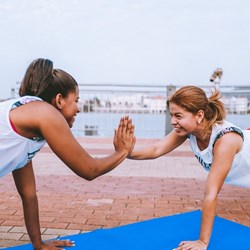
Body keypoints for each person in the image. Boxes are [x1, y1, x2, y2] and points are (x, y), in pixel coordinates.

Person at [0, 58, 135, 250]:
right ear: (59, 100)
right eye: (76, 100)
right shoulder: (45, 114)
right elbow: (89, 170)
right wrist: (123, 151)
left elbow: (28, 193)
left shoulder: (27, 120)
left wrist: (38, 244)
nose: (78, 108)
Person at [128, 85, 250, 250]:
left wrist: (203, 242)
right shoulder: (188, 131)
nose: (172, 121)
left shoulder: (225, 140)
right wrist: (126, 152)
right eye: (172, 115)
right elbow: (156, 149)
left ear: (199, 115)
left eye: (178, 115)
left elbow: (211, 193)